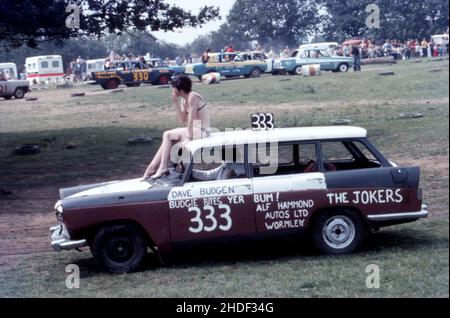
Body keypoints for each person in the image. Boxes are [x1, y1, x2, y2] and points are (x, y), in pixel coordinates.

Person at [143, 76, 211, 180]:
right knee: (167, 140)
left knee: (167, 134)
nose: (172, 89)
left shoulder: (193, 97)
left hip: (202, 131)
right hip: (195, 130)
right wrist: (175, 102)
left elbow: (191, 119)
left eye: (174, 87)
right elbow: (183, 119)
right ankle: (151, 169)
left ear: (180, 89)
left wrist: (188, 138)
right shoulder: (184, 99)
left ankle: (162, 167)